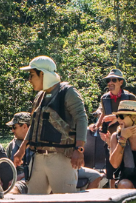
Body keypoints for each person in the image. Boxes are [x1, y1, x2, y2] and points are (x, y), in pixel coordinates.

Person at [13, 56, 98, 193]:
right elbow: (35, 125)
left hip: (62, 159)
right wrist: (22, 149)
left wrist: (79, 149)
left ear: (43, 74)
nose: (29, 79)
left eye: (32, 75)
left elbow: (81, 119)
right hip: (38, 159)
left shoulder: (68, 92)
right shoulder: (39, 97)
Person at [90, 68, 136, 133]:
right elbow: (103, 113)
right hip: (109, 135)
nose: (110, 82)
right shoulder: (104, 98)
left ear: (121, 82)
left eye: (114, 80)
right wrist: (96, 126)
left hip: (127, 133)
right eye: (108, 80)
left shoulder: (130, 97)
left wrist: (117, 117)